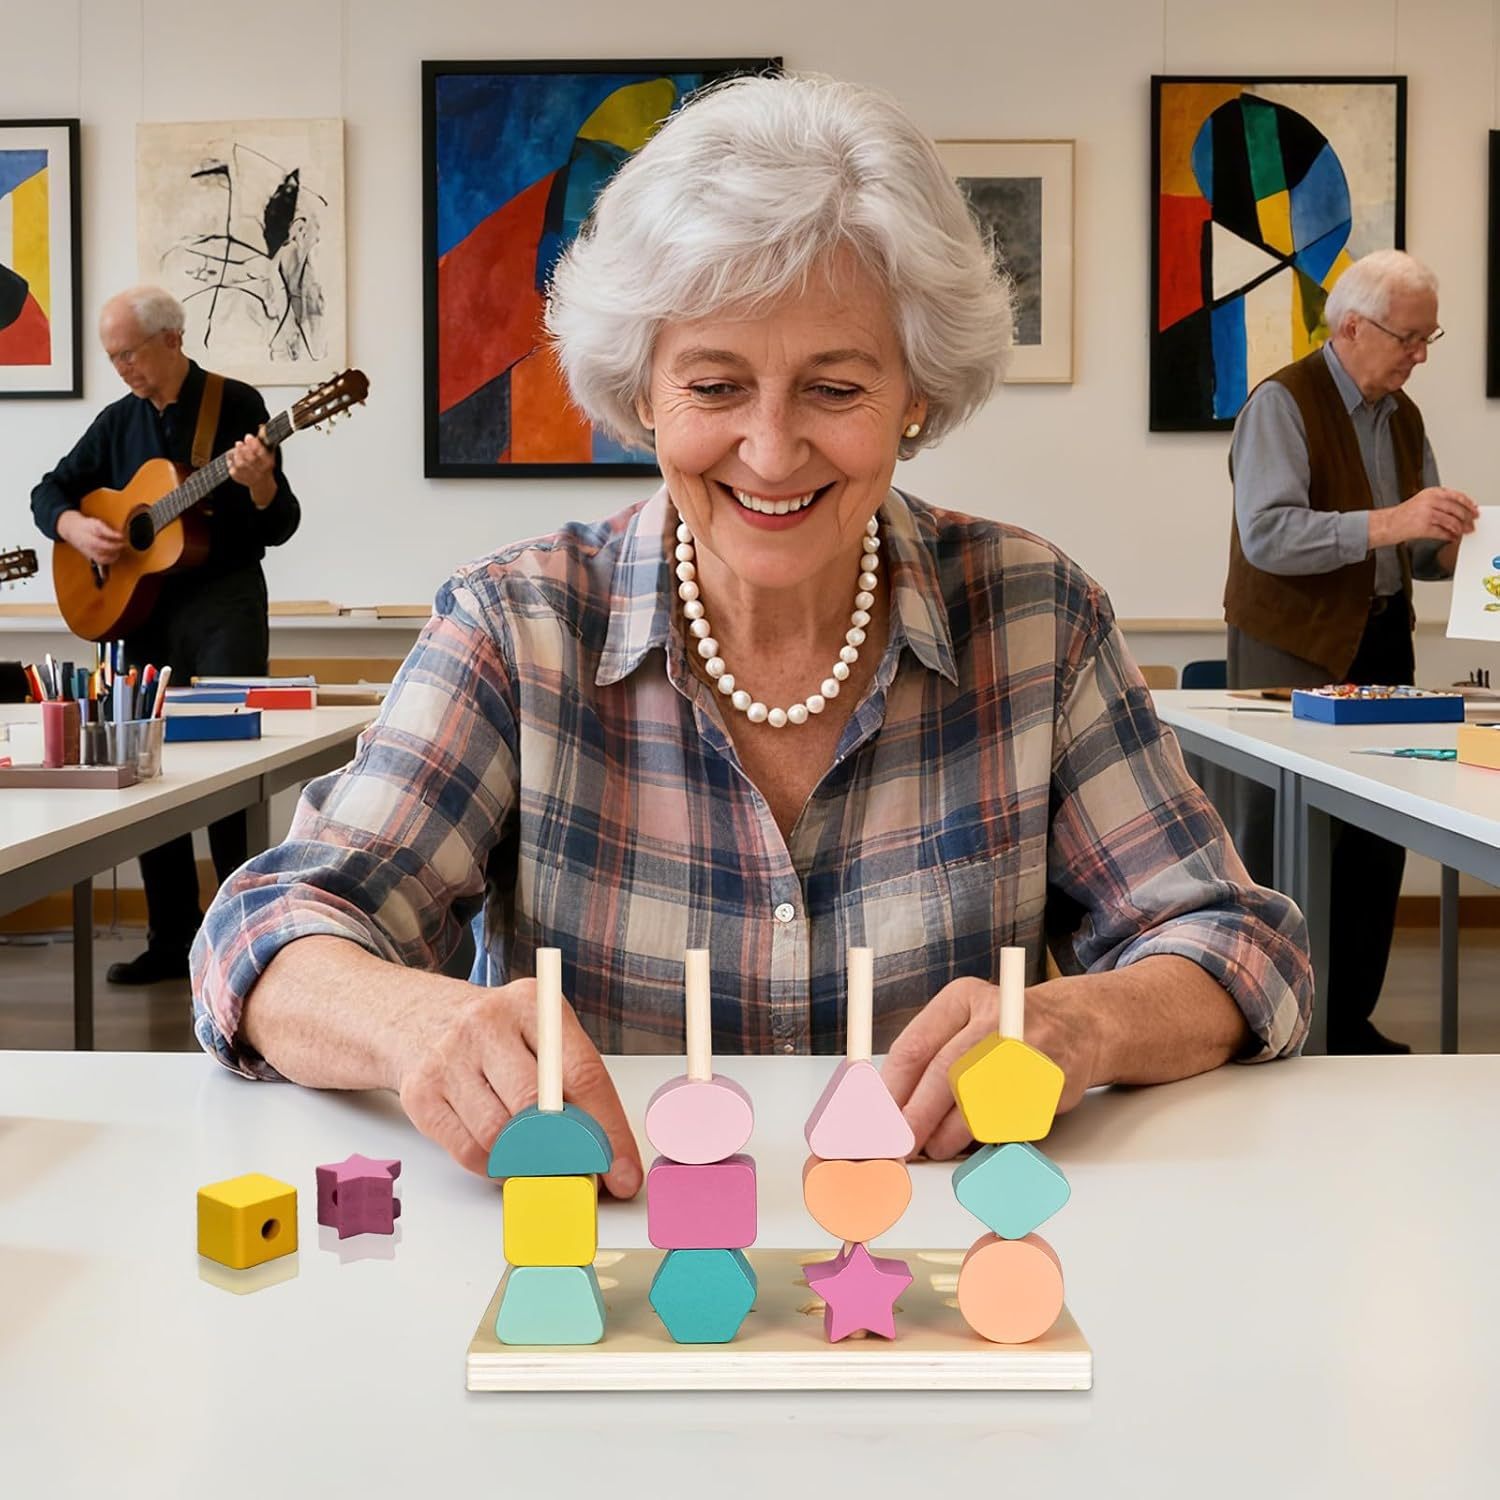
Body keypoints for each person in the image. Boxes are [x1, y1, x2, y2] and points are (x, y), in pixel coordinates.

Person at [193, 75, 1312, 1193]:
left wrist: (1084, 1024)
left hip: (944, 1271)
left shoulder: (1037, 616)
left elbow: (1237, 945)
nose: (772, 453)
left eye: (834, 388)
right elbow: (268, 933)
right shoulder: (514, 626)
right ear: (643, 393)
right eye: (717, 385)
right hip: (602, 1266)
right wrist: (414, 1022)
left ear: (915, 393)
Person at [1222, 249, 1478, 1054]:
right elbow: (1267, 535)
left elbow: (1417, 550)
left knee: (1377, 841)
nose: (1421, 354)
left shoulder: (1404, 417)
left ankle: (1350, 1022)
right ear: (1355, 327)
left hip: (1382, 639)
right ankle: (1276, 1021)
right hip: (1289, 649)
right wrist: (1393, 522)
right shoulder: (1282, 402)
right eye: (1410, 336)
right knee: (1286, 842)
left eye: (1429, 335)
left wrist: (1459, 546)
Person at [31, 286, 301, 984]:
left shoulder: (235, 406)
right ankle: (172, 939)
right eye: (112, 355)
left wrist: (262, 483)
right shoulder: (118, 423)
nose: (121, 367)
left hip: (223, 606)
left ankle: (243, 946)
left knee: (231, 772)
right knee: (145, 771)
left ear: (172, 341)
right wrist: (74, 527)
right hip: (137, 616)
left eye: (129, 353)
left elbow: (279, 523)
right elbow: (49, 490)